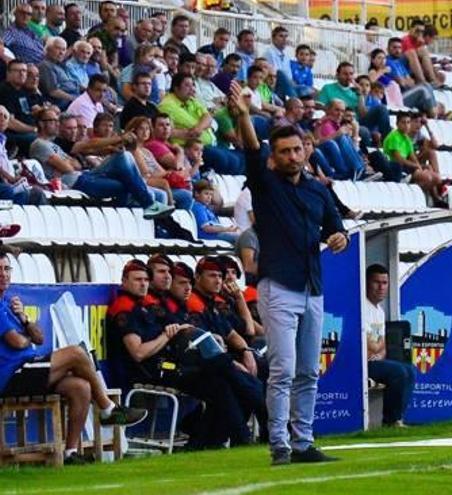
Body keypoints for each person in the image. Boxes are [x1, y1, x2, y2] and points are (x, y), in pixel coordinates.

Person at [229, 81, 347, 465]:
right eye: (285, 152)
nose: (293, 156)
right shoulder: (265, 184)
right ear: (274, 158)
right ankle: (279, 443)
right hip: (278, 284)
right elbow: (250, 149)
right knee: (282, 369)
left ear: (306, 150)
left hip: (313, 286)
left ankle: (303, 441)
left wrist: (339, 237)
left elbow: (335, 226)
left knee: (309, 371)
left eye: (297, 149)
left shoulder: (317, 190)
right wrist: (244, 116)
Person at [0, 252, 148, 465]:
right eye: (0, 270)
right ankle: (107, 409)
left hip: (28, 369)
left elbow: (39, 338)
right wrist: (26, 336)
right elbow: (17, 342)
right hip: (12, 375)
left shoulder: (8, 304)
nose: (3, 274)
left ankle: (70, 452)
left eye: (7, 269)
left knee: (81, 387)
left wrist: (24, 319)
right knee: (77, 353)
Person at [107, 259, 253, 449]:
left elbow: (246, 331)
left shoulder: (154, 304)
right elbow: (138, 354)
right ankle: (243, 429)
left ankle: (209, 440)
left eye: (145, 279)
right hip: (152, 370)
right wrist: (167, 335)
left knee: (222, 381)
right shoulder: (125, 307)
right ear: (124, 281)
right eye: (138, 279)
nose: (143, 283)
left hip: (167, 364)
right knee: (224, 376)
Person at [29, 107, 173, 218]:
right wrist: (120, 138)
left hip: (85, 175)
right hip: (75, 182)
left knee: (125, 156)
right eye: (52, 121)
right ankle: (148, 205)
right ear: (41, 124)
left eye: (57, 120)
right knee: (128, 185)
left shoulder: (56, 144)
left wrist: (72, 162)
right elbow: (68, 167)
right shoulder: (39, 144)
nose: (56, 124)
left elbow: (77, 161)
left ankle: (149, 206)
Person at [363, 264, 416, 426]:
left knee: (410, 370)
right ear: (366, 283)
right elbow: (369, 345)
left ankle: (398, 418)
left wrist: (377, 349)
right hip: (363, 363)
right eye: (376, 282)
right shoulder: (361, 306)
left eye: (384, 283)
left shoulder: (379, 310)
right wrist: (376, 347)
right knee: (398, 372)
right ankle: (390, 420)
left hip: (376, 360)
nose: (381, 287)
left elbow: (380, 343)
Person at [192, 179, 240, 243]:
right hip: (210, 237)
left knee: (242, 236)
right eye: (206, 194)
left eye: (211, 195)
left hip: (215, 234)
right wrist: (226, 229)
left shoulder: (205, 207)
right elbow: (207, 228)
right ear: (196, 194)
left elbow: (218, 202)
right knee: (240, 238)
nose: (209, 197)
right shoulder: (198, 208)